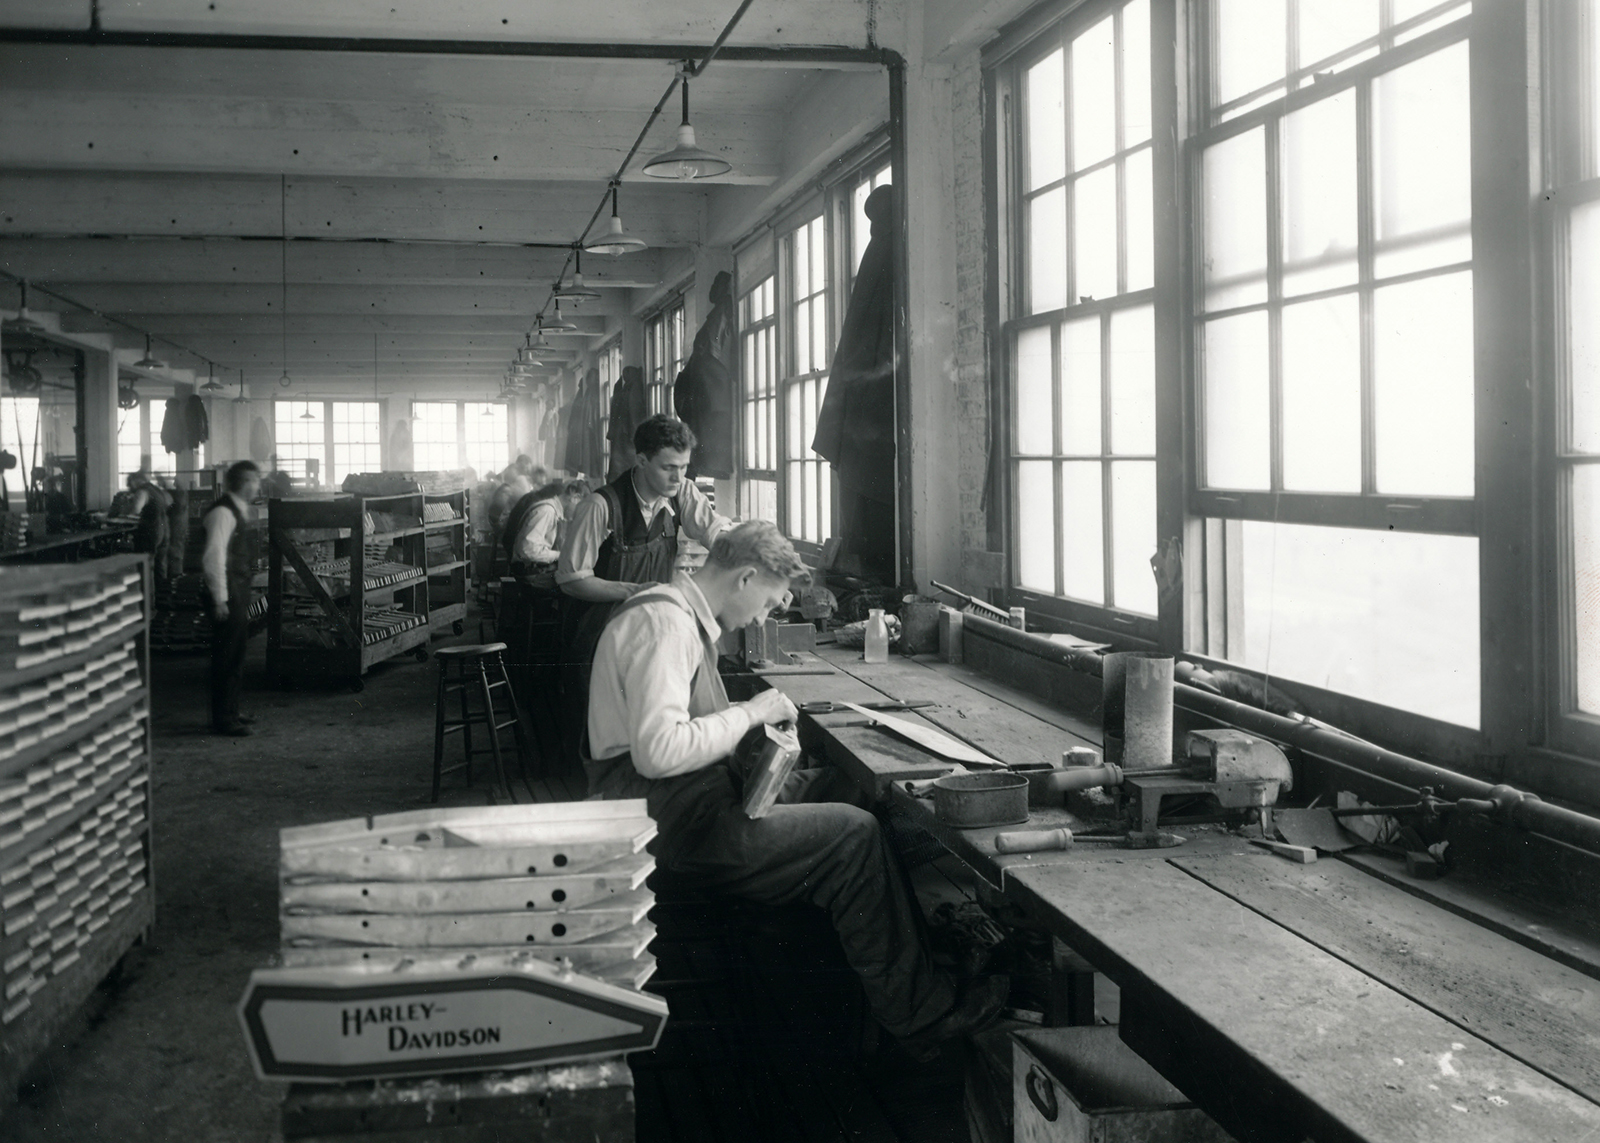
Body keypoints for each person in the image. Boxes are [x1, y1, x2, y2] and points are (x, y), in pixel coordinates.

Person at [586, 520, 1008, 1059]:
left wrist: (758, 741)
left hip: (692, 804)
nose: (764, 616)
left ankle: (886, 965)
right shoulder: (665, 625)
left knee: (850, 787)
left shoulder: (679, 615)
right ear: (743, 578)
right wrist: (749, 713)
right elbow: (657, 751)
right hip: (669, 831)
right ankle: (920, 1015)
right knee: (853, 833)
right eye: (764, 600)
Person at [556, 414, 732, 773]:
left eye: (684, 467)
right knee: (610, 727)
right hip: (601, 628)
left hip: (654, 624)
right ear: (641, 461)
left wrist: (761, 563)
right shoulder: (601, 506)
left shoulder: (681, 492)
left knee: (659, 714)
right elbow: (571, 578)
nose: (678, 477)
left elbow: (717, 533)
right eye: (668, 467)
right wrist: (634, 590)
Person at [202, 461, 262, 737]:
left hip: (236, 588)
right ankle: (224, 719)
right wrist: (220, 599)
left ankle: (232, 710)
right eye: (252, 480)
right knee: (227, 655)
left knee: (236, 653)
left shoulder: (238, 510)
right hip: (227, 591)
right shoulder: (224, 513)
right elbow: (213, 558)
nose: (256, 485)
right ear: (241, 483)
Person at [505, 477, 588, 584]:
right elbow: (527, 550)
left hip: (533, 570)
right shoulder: (547, 511)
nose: (578, 514)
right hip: (528, 574)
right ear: (575, 497)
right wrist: (561, 555)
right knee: (575, 586)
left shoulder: (553, 510)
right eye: (581, 508)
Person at [127, 472, 172, 585]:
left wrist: (127, 508)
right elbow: (169, 502)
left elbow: (135, 511)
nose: (129, 488)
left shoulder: (142, 491)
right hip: (164, 529)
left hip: (151, 531)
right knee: (160, 566)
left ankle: (147, 597)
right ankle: (161, 596)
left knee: (146, 565)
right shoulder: (156, 490)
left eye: (129, 484)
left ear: (134, 481)